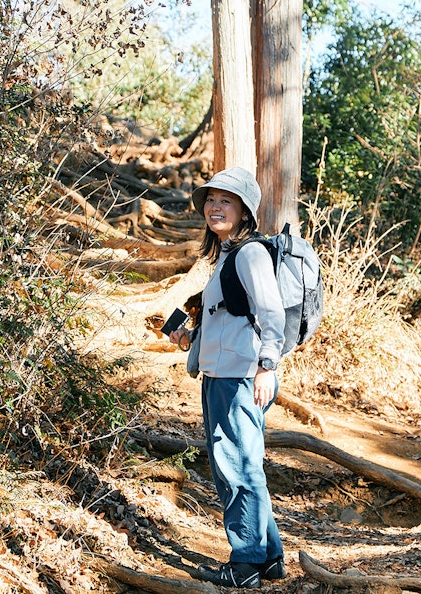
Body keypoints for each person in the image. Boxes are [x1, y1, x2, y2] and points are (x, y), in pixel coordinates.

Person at [169, 167, 288, 588]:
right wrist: (190, 336)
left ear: (244, 213)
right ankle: (269, 557)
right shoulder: (224, 255)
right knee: (242, 464)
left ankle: (246, 565)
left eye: (227, 201)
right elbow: (232, 319)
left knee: (236, 467)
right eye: (211, 200)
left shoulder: (251, 253)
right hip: (222, 374)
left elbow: (272, 314)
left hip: (241, 377)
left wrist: (267, 367)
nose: (215, 208)